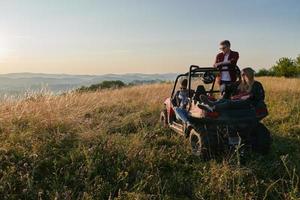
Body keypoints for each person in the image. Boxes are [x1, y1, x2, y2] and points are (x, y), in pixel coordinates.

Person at [198, 67, 265, 112]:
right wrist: (224, 87)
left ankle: (213, 108)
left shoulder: (256, 84)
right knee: (224, 100)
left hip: (249, 103)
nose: (242, 76)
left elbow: (260, 96)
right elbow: (229, 87)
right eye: (241, 74)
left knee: (228, 103)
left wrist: (249, 96)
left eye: (244, 74)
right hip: (239, 101)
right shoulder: (240, 84)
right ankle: (210, 104)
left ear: (249, 74)